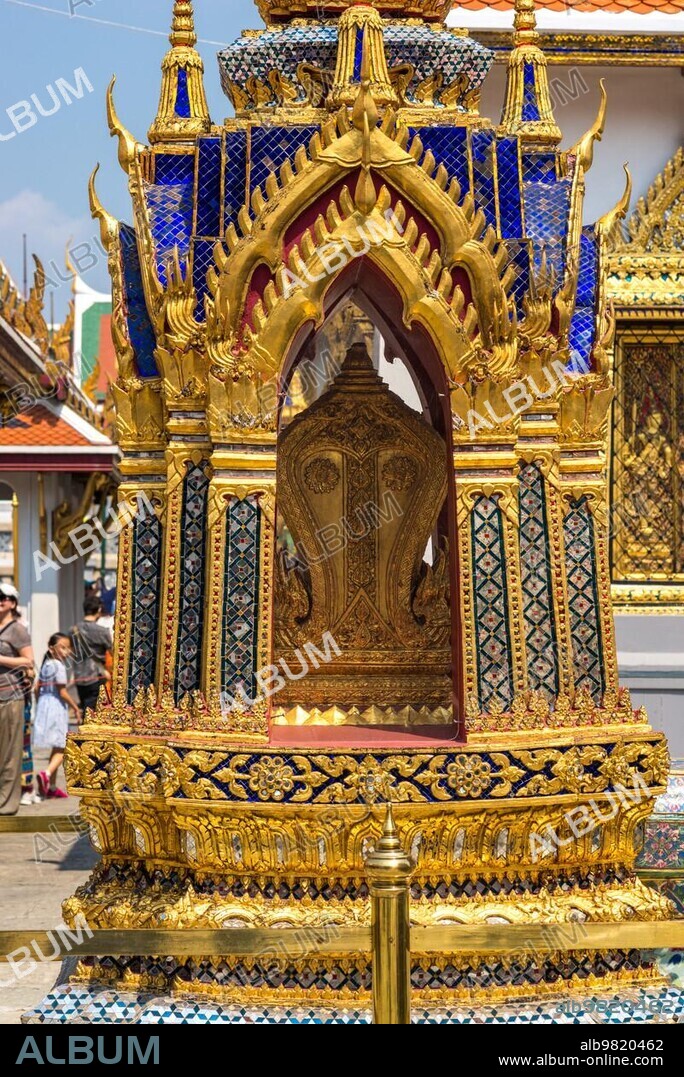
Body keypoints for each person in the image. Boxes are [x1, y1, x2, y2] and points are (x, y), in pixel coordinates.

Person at [0, 585, 35, 815]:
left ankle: (6, 803)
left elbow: (28, 661)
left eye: (3, 598)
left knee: (9, 752)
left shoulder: (18, 630)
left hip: (10, 697)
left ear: (12, 603)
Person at [34, 633, 81, 800]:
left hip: (45, 705)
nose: (67, 651)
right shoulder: (59, 666)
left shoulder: (46, 665)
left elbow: (36, 689)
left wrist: (41, 705)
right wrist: (76, 707)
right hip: (56, 707)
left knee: (57, 746)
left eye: (68, 648)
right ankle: (46, 773)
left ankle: (51, 787)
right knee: (63, 746)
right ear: (51, 648)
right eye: (63, 647)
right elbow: (62, 692)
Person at [69, 596, 113, 717]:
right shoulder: (102, 631)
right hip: (96, 676)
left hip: (79, 676)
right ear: (99, 609)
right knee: (94, 714)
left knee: (85, 708)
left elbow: (71, 651)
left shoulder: (73, 630)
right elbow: (113, 651)